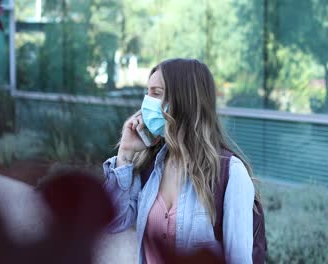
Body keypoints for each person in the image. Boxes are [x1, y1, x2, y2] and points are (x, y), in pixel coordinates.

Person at [102, 58, 257, 264]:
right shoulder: (150, 164)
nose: (146, 103)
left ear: (185, 101)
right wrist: (126, 152)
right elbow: (112, 221)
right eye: (147, 93)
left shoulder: (230, 174)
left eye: (156, 93)